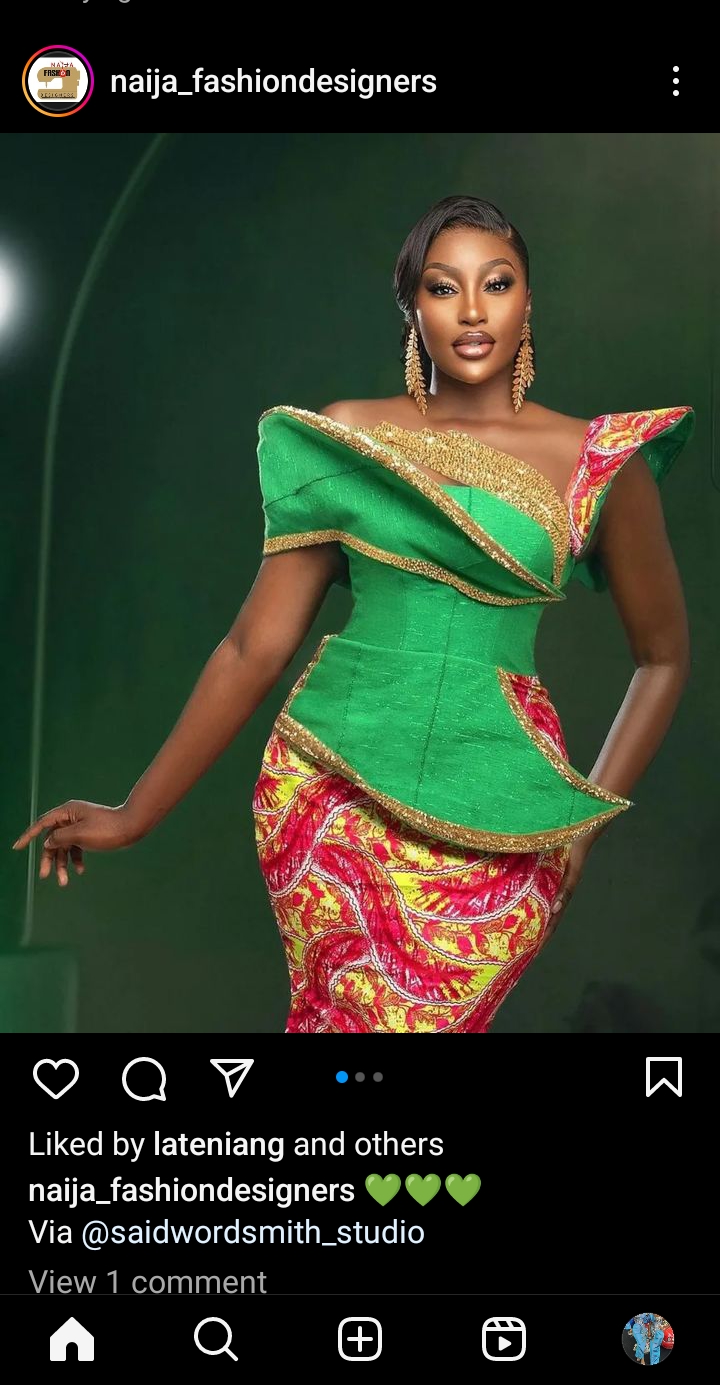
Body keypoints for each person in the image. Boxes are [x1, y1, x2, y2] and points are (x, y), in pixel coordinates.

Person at [12, 195, 695, 1034]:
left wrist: (584, 828)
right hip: (330, 790)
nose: (472, 310)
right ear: (412, 307)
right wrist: (134, 812)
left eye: (497, 283)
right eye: (443, 287)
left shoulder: (599, 462)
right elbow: (254, 646)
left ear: (528, 300)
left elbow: (664, 657)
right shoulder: (349, 437)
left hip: (506, 810)